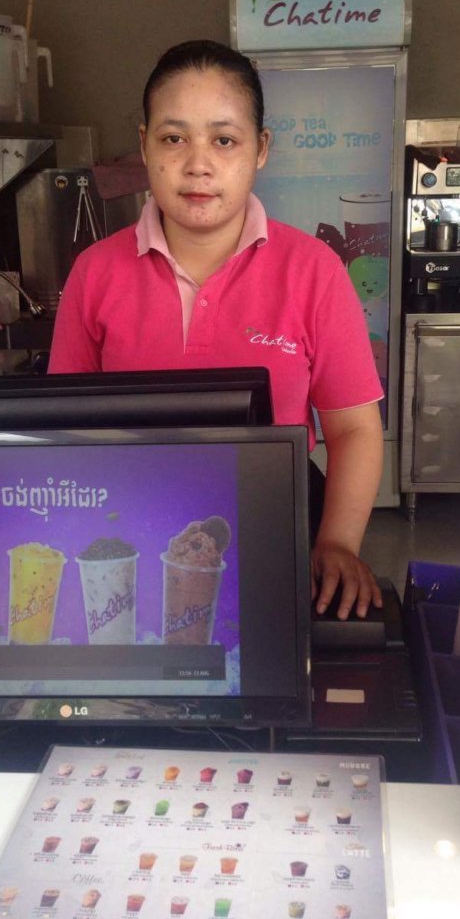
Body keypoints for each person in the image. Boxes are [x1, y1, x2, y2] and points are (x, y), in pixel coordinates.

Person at [49, 39, 384, 619]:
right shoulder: (95, 272)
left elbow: (354, 428)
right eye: (173, 138)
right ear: (144, 145)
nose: (197, 164)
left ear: (261, 149)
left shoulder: (314, 270)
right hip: (132, 526)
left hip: (279, 523)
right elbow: (62, 430)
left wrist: (336, 543)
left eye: (224, 140)